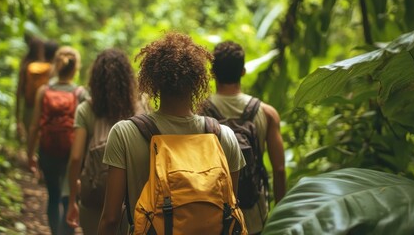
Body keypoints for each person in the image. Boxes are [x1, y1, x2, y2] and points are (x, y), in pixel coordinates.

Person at [98, 33, 246, 234]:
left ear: (153, 83)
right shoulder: (223, 137)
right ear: (198, 82)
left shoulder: (125, 133)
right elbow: (229, 208)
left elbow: (111, 218)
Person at [204, 41, 286, 235]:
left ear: (212, 73)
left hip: (212, 215)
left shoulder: (200, 112)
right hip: (254, 214)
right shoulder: (266, 113)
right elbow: (280, 170)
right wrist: (281, 218)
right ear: (243, 71)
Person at [65, 49, 143, 234]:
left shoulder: (86, 110)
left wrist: (72, 200)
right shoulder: (139, 107)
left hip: (93, 196)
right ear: (127, 80)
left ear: (95, 80)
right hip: (130, 199)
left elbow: (76, 157)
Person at [27, 46, 88, 235]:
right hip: (71, 152)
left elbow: (34, 126)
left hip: (47, 150)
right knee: (68, 198)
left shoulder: (43, 91)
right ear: (75, 68)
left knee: (53, 197)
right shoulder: (80, 93)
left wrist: (30, 154)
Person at [16, 37, 59, 141]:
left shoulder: (27, 66)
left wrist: (17, 118)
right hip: (43, 109)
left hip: (28, 106)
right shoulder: (50, 69)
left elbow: (19, 91)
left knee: (30, 138)